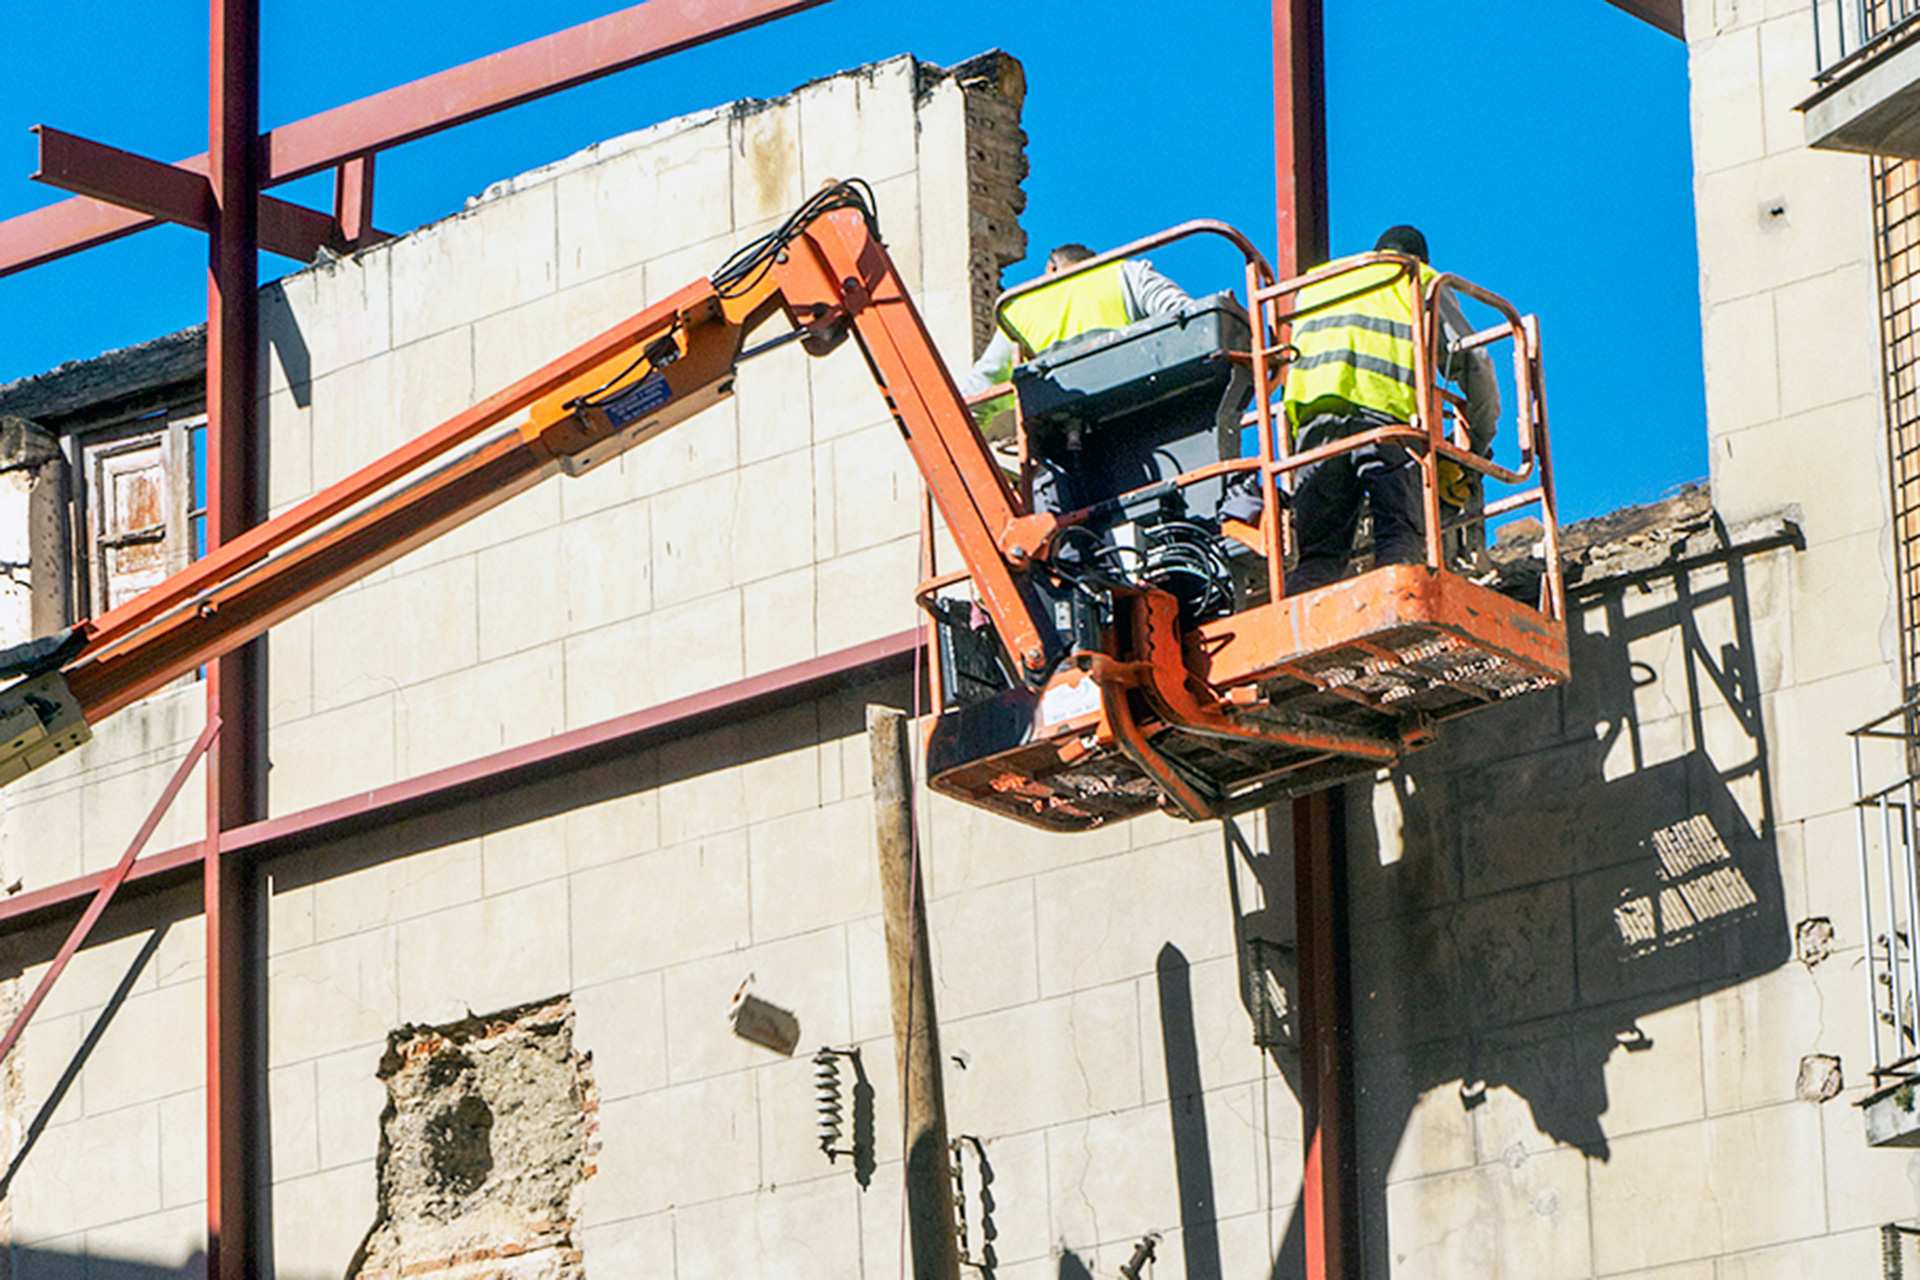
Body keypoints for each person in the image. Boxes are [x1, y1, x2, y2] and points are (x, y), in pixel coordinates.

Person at [1276, 224, 1500, 595]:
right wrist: (1476, 443)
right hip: (1383, 418)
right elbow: (1474, 360)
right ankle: (1404, 612)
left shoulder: (1319, 283)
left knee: (1318, 559)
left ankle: (1298, 627)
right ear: (1419, 259)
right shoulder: (1421, 279)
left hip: (1314, 429)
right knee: (1399, 536)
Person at [959, 242, 1192, 414]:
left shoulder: (1020, 310)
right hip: (1141, 413)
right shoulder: (1124, 274)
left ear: (1051, 268)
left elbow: (979, 393)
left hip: (1059, 437)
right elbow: (1188, 317)